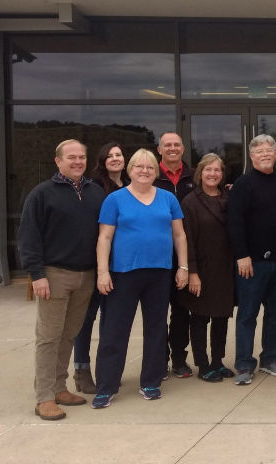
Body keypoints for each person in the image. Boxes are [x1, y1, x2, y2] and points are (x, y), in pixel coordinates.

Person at [92, 148, 188, 408]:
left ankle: (151, 381)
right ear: (129, 170)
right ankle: (106, 386)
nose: (144, 171)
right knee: (115, 330)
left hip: (160, 273)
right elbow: (105, 237)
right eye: (138, 167)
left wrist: (183, 267)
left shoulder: (168, 199)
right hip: (123, 273)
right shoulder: (115, 199)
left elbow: (179, 235)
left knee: (157, 329)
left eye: (149, 167)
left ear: (156, 172)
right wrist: (103, 272)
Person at [19, 139, 104, 420]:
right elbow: (29, 237)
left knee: (69, 334)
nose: (77, 161)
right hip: (54, 275)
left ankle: (59, 386)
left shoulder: (95, 192)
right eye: (71, 157)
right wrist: (37, 275)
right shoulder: (42, 194)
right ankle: (44, 397)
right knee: (48, 337)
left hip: (86, 275)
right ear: (58, 161)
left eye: (81, 157)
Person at [226, 134, 276, 385]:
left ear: (275, 154)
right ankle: (244, 363)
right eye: (259, 151)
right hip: (250, 263)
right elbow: (235, 222)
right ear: (251, 156)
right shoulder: (243, 184)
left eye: (269, 150)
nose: (265, 154)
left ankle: (270, 358)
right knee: (247, 314)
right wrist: (241, 255)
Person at [72, 142, 130, 394]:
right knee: (86, 319)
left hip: (122, 265)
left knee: (111, 321)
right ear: (103, 161)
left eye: (119, 155)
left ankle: (107, 371)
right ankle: (82, 370)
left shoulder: (130, 186)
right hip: (97, 264)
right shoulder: (94, 188)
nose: (116, 159)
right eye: (110, 156)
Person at [180, 153, 235, 382]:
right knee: (200, 317)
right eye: (208, 170)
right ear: (200, 173)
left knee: (222, 317)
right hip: (201, 269)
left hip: (225, 268)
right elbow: (186, 240)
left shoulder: (230, 197)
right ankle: (203, 365)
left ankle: (217, 361)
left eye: (217, 170)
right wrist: (192, 273)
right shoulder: (190, 202)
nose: (213, 174)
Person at [153, 132, 195, 379]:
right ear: (159, 149)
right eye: (167, 145)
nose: (172, 148)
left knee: (181, 312)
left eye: (176, 144)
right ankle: (159, 361)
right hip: (157, 257)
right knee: (157, 312)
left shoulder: (194, 177)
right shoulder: (149, 175)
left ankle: (179, 359)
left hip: (184, 257)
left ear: (183, 148)